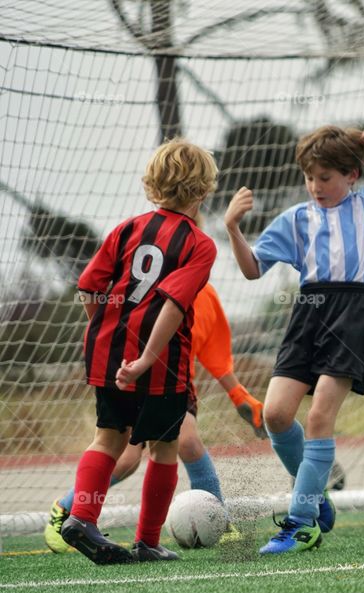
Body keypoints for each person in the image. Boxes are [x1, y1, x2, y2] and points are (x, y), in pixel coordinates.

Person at [225, 125, 364, 554]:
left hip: (354, 313)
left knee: (321, 416)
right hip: (308, 312)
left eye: (325, 177)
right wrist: (232, 227)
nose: (315, 186)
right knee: (277, 415)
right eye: (309, 177)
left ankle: (301, 523)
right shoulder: (295, 219)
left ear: (352, 174)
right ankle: (314, 492)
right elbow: (253, 269)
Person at [60, 138, 219, 564]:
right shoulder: (200, 245)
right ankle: (148, 541)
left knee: (109, 437)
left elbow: (89, 286)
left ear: (151, 187)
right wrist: (148, 356)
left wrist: (105, 330)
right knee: (163, 446)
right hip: (161, 362)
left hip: (106, 351)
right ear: (203, 192)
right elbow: (172, 304)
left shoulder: (127, 228)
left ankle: (81, 517)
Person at [43, 282, 274, 553]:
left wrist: (238, 395)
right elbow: (96, 296)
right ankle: (66, 509)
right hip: (131, 376)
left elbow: (216, 353)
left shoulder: (206, 294)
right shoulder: (142, 285)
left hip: (174, 382)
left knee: (187, 442)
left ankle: (217, 519)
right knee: (126, 460)